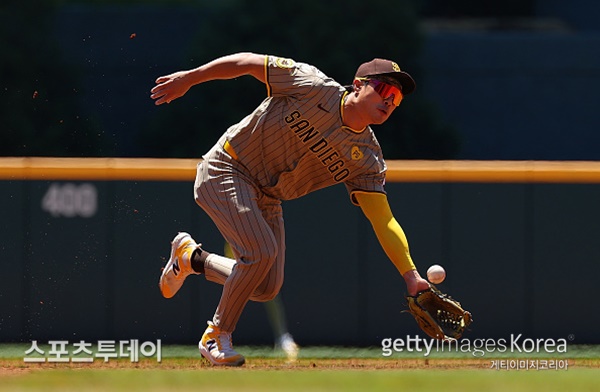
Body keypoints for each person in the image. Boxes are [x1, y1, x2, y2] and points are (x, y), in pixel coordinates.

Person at [150, 53, 431, 366]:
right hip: (227, 167)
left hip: (267, 196)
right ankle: (217, 334)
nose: (389, 101)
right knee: (261, 252)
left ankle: (193, 259)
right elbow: (247, 62)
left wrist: (411, 275)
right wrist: (190, 78)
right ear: (357, 85)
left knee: (264, 286)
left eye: (397, 97)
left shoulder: (367, 158)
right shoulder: (311, 84)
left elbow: (383, 219)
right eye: (383, 90)